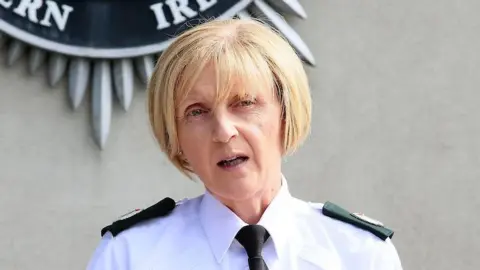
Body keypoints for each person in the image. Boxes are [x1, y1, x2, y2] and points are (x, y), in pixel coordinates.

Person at [86, 18, 403, 270]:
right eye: (197, 112)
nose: (223, 131)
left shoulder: (359, 253)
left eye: (244, 103)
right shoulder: (131, 256)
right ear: (176, 137)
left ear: (285, 112)